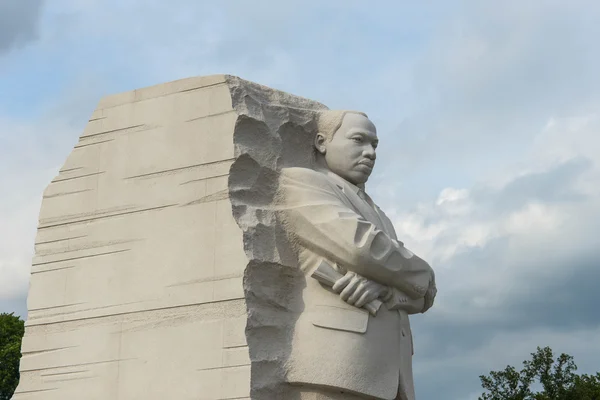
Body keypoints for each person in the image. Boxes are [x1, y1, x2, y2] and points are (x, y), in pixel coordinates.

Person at [275, 110, 437, 400]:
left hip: (392, 376)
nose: (370, 153)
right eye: (358, 140)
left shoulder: (380, 215)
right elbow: (362, 247)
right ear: (322, 142)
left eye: (374, 145)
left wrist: (388, 288)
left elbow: (423, 297)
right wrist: (422, 272)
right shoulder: (303, 181)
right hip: (337, 363)